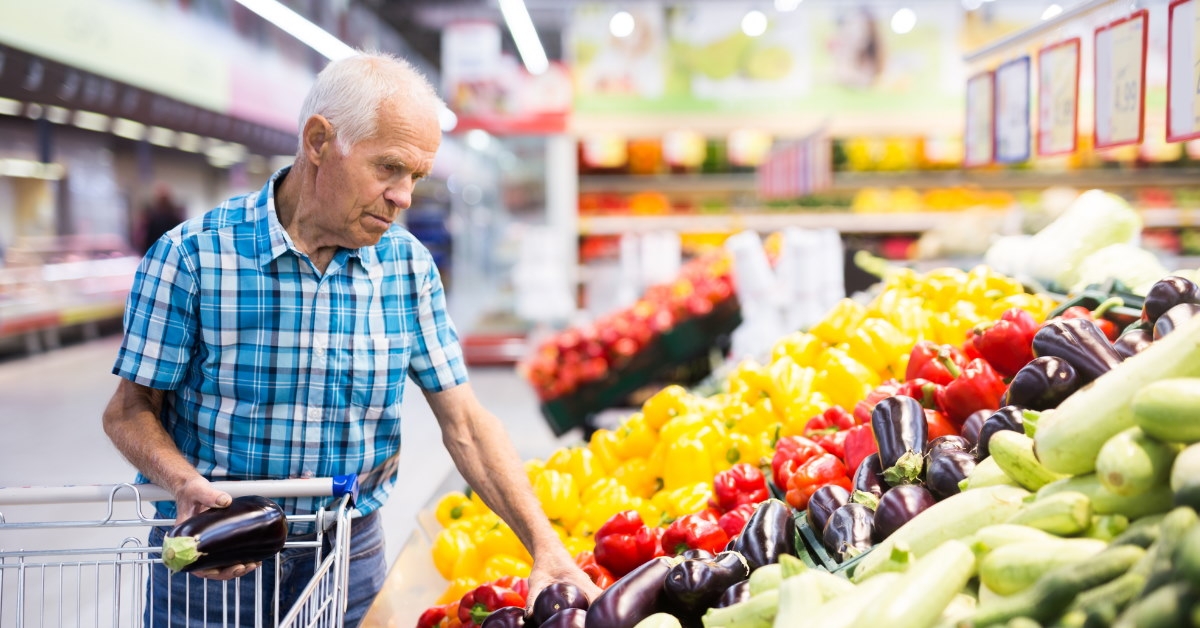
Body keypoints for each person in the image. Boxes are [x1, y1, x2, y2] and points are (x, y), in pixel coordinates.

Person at [102, 51, 601, 627]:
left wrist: (545, 545)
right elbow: (129, 411)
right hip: (217, 554)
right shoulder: (193, 257)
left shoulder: (407, 268)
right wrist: (182, 483)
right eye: (389, 168)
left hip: (349, 553)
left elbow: (465, 423)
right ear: (319, 142)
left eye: (416, 176)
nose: (404, 196)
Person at [135, 184, 186, 254]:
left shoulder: (174, 216)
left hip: (168, 250)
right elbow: (143, 235)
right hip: (155, 249)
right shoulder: (151, 215)